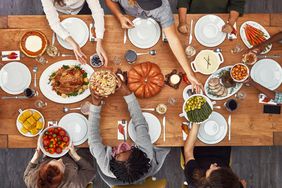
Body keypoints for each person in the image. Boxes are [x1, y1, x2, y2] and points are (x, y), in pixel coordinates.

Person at [105, 0, 202, 93]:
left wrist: (190, 74)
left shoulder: (163, 7)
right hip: (128, 18)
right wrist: (119, 16)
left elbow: (173, 40)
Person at [87, 80, 170, 186]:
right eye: (127, 150)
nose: (121, 146)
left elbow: (93, 138)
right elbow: (140, 124)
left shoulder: (105, 166)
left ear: (112, 163)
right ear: (138, 151)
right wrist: (128, 94)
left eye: (117, 155)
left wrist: (95, 105)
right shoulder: (146, 154)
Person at [41, 0, 108, 65]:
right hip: (58, 13)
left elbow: (97, 12)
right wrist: (73, 43)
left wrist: (99, 41)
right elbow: (54, 22)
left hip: (82, 10)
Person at [183, 123, 247, 188]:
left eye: (213, 169)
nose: (213, 165)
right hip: (221, 152)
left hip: (196, 150)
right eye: (219, 168)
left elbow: (188, 152)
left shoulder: (193, 180)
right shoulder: (231, 184)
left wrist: (196, 123)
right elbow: (243, 183)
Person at [24, 142, 95, 188]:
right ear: (62, 178)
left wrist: (35, 157)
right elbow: (90, 171)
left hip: (50, 154)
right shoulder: (75, 184)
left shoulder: (32, 181)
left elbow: (26, 175)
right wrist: (75, 156)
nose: (60, 159)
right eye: (63, 165)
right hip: (75, 160)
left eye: (54, 160)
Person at [177, 0, 245, 34]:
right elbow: (183, 1)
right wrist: (182, 22)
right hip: (194, 19)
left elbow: (237, 3)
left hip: (221, 20)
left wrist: (230, 23)